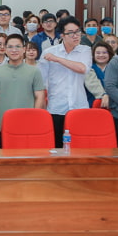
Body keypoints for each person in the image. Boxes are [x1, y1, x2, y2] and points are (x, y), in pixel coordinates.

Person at [37, 16, 92, 147]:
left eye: (78, 32)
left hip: (79, 106)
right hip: (57, 107)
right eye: (70, 33)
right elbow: (41, 81)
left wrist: (58, 59)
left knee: (79, 146)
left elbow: (82, 68)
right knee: (57, 146)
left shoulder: (85, 50)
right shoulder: (49, 52)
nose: (76, 36)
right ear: (62, 35)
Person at [0, 34, 46, 141]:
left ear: (24, 49)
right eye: (10, 47)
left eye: (18, 46)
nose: (14, 50)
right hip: (4, 124)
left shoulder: (34, 71)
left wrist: (35, 118)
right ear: (5, 50)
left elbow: (39, 96)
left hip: (28, 123)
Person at [85, 41, 113, 109]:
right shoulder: (88, 68)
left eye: (104, 53)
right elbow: (92, 85)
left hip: (114, 105)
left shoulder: (115, 68)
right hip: (92, 104)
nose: (101, 55)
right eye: (98, 53)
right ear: (93, 55)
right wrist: (104, 95)